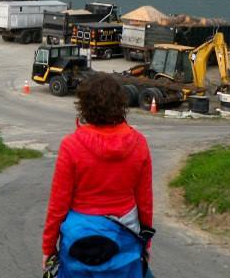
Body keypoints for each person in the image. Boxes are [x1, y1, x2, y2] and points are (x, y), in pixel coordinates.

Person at [42, 73, 154, 277]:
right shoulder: (139, 143)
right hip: (125, 234)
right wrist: (146, 242)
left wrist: (48, 248)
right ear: (121, 103)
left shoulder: (71, 145)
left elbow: (58, 205)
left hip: (79, 239)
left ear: (84, 106)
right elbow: (145, 201)